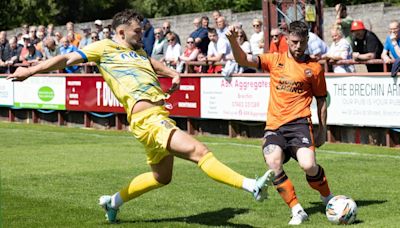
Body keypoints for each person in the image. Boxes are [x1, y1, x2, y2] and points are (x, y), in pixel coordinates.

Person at [7, 9, 274, 223]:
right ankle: (252, 186)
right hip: (148, 120)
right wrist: (30, 71)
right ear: (121, 31)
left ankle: (113, 202)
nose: (142, 33)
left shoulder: (138, 50)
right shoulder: (103, 47)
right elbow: (65, 60)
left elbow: (150, 62)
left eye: (143, 29)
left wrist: (171, 73)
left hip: (155, 116)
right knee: (199, 151)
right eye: (138, 30)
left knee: (161, 177)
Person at [226, 20, 333, 225]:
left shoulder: (314, 68)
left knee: (309, 165)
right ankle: (297, 209)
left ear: (307, 40)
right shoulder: (274, 60)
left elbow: (321, 100)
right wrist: (232, 40)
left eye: (302, 42)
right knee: (273, 163)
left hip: (300, 124)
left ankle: (327, 197)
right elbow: (243, 59)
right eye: (294, 42)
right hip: (274, 126)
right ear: (287, 39)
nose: (298, 47)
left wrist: (322, 130)